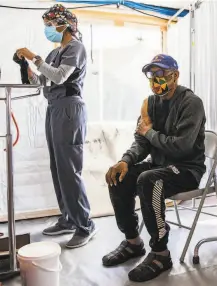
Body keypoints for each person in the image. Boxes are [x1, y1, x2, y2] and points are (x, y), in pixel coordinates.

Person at [103, 54, 206, 282]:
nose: (155, 81)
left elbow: (181, 147)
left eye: (160, 75)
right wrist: (125, 161)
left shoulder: (191, 103)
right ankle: (133, 242)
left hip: (186, 169)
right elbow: (141, 142)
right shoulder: (150, 103)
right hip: (161, 166)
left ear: (175, 75)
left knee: (148, 180)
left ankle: (161, 253)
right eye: (151, 76)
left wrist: (149, 132)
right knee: (122, 176)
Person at [15, 4, 96, 248]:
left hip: (70, 109)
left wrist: (32, 56)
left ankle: (85, 224)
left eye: (50, 25)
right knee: (57, 168)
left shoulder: (76, 48)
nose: (48, 30)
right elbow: (40, 81)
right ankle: (68, 218)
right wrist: (24, 65)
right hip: (54, 109)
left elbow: (60, 76)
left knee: (69, 170)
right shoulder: (53, 53)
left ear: (64, 24)